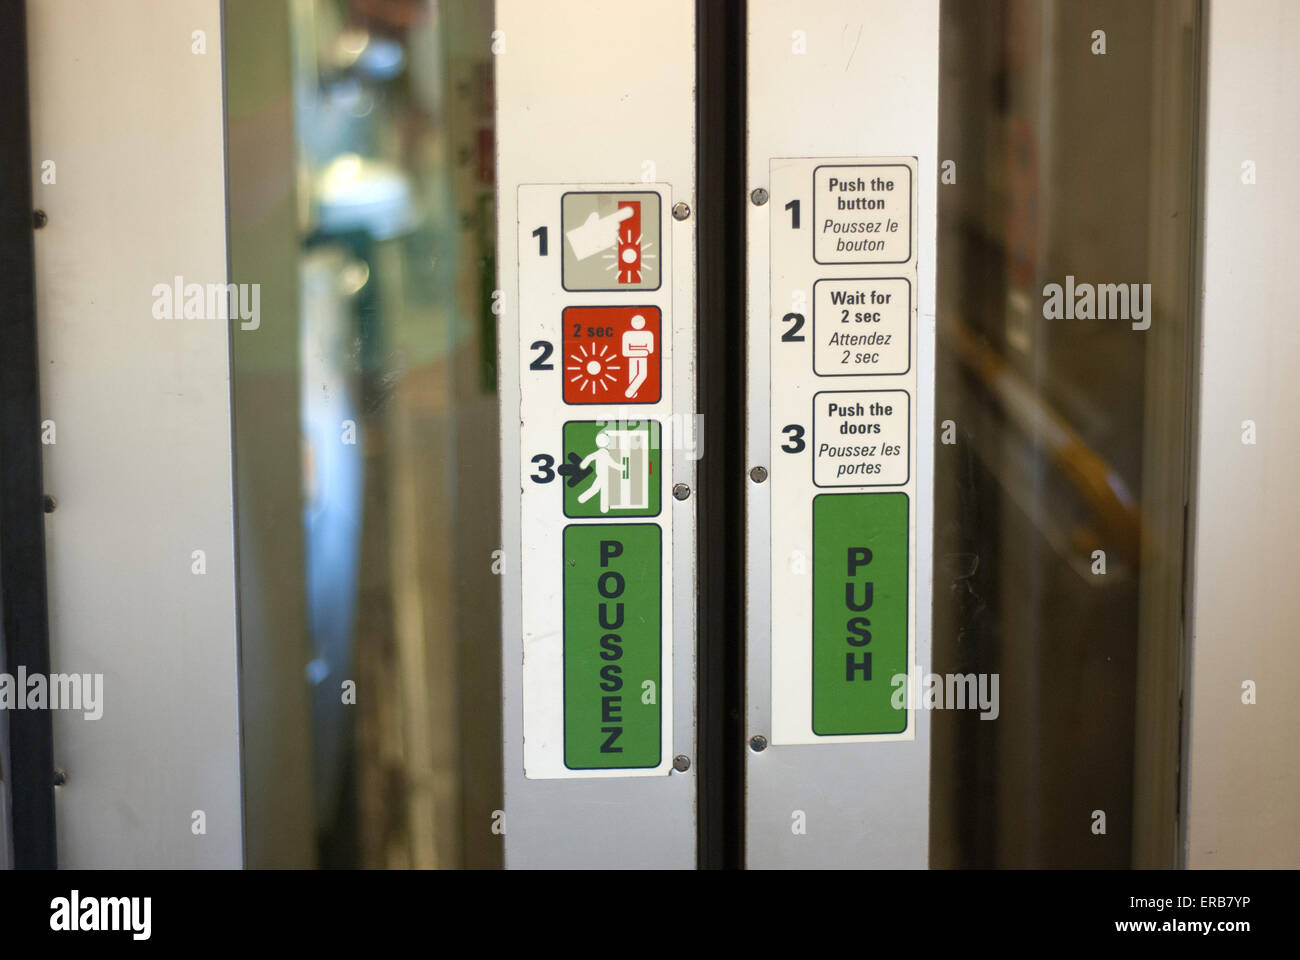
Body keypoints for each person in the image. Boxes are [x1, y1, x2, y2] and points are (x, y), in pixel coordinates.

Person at [621, 314, 655, 398]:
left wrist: (637, 350)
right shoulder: (627, 335)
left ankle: (630, 393)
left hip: (643, 358)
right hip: (632, 357)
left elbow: (650, 350)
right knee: (632, 375)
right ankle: (632, 393)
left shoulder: (648, 334)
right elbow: (625, 351)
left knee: (643, 374)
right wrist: (642, 350)